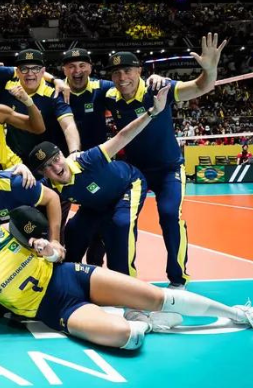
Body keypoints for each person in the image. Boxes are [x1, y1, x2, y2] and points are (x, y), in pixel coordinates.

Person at [0, 203, 253, 349]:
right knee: (126, 339)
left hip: (72, 276)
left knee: (158, 296)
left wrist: (47, 249)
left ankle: (238, 313)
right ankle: (143, 321)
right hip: (56, 309)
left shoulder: (11, 231)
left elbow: (59, 254)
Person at [103, 33, 226, 288]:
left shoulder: (159, 88)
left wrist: (210, 69)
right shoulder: (109, 97)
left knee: (170, 215)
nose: (122, 77)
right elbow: (75, 85)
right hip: (136, 173)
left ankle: (178, 280)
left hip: (169, 169)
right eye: (116, 73)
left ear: (139, 70)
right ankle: (125, 282)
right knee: (122, 220)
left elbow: (202, 87)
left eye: (127, 70)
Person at [28, 84, 172, 278]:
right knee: (73, 231)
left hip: (128, 185)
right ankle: (72, 279)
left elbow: (123, 136)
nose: (55, 167)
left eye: (56, 159)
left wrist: (153, 112)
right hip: (96, 204)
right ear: (42, 173)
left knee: (120, 225)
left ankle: (127, 286)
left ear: (62, 155)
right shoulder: (48, 187)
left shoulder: (88, 159)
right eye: (47, 167)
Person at [0, 49, 80, 160]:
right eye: (24, 69)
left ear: (43, 71)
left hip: (49, 159)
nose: (30, 73)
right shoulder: (6, 88)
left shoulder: (54, 93)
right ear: (17, 72)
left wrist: (75, 152)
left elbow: (68, 125)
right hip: (16, 160)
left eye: (35, 68)